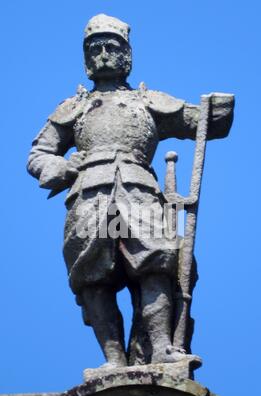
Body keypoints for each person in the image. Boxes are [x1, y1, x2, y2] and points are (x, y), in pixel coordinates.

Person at [27, 14, 234, 368]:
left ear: (127, 54)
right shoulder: (72, 108)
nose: (103, 54)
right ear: (86, 58)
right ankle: (113, 360)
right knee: (93, 275)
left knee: (155, 262)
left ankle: (161, 348)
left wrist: (217, 107)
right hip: (91, 199)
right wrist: (62, 167)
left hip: (138, 194)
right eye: (95, 49)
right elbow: (39, 154)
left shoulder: (148, 101)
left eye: (111, 47)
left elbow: (202, 121)